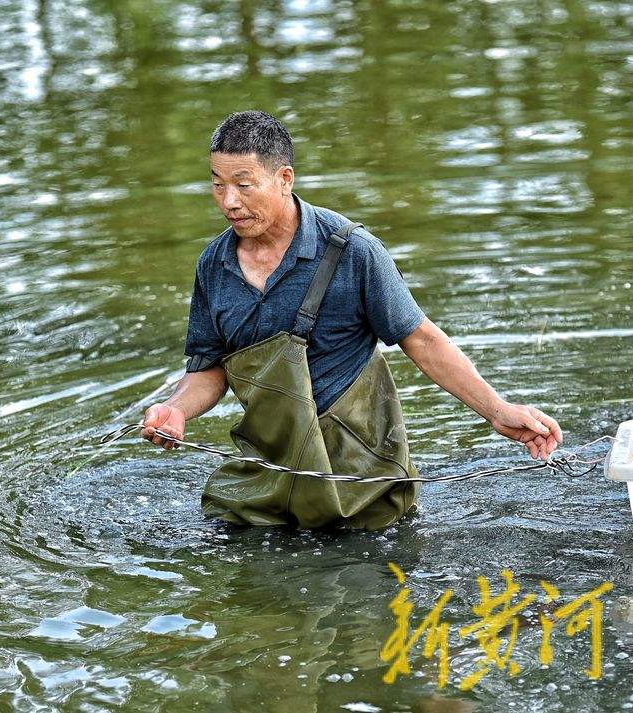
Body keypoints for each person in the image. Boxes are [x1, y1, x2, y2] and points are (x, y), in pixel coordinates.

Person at [141, 110, 562, 530]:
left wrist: (497, 410)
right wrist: (176, 410)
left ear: (285, 179)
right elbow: (208, 368)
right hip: (265, 485)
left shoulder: (353, 252)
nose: (229, 201)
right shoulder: (213, 267)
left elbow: (422, 340)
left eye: (244, 185)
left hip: (360, 485)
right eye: (217, 184)